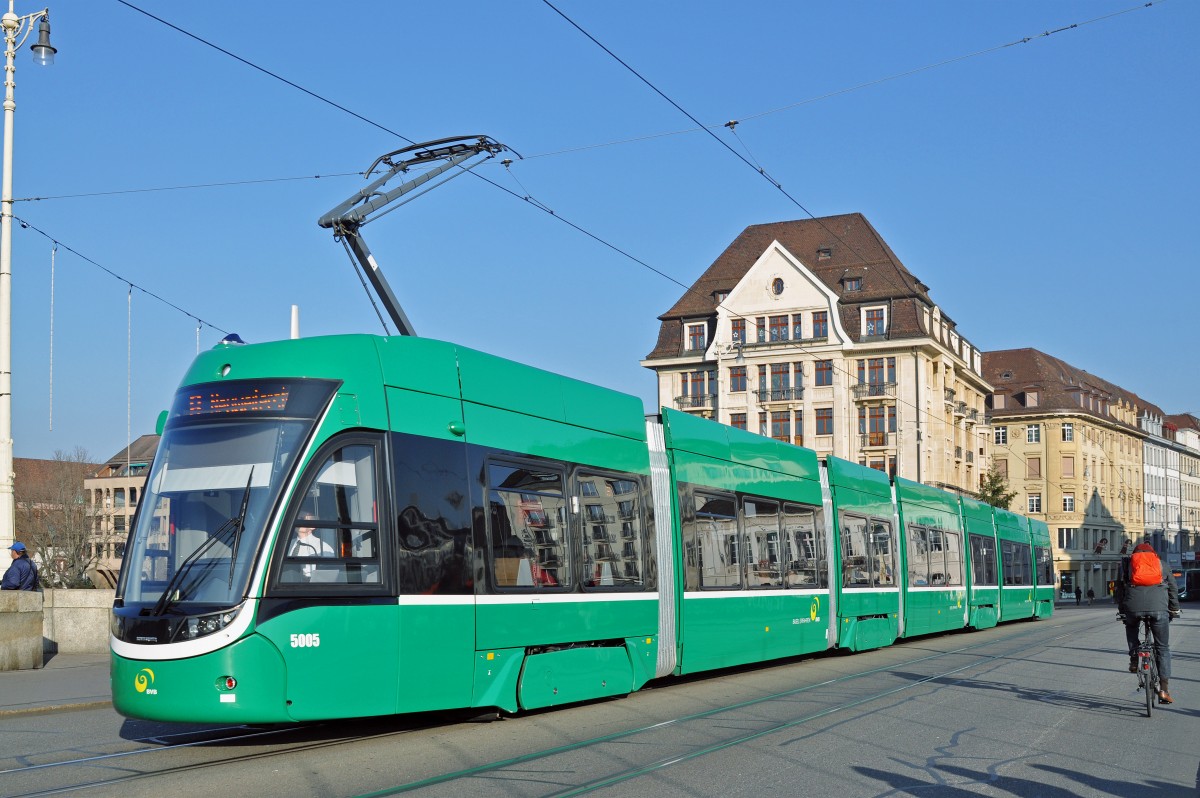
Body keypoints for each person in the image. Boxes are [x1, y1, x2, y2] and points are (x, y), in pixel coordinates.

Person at [1118, 542, 1180, 704]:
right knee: (1162, 648)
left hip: (1133, 607)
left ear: (1135, 555)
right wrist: (1174, 608)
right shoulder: (1161, 564)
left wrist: (1123, 611)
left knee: (1131, 626)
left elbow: (1121, 590)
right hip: (1159, 608)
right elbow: (1172, 588)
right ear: (1153, 554)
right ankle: (1164, 690)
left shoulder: (1127, 565)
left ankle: (1134, 658)